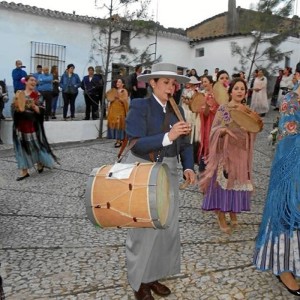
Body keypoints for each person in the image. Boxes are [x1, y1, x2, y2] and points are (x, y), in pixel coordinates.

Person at [125, 62, 196, 300]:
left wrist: (188, 167)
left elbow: (185, 144)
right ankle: (139, 282)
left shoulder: (178, 110)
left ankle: (153, 275)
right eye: (165, 82)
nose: (171, 87)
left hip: (170, 170)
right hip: (145, 169)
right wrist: (168, 136)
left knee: (165, 227)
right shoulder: (139, 106)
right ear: (152, 83)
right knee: (144, 229)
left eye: (173, 83)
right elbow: (136, 144)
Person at [253, 62, 300, 296]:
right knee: (286, 214)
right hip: (291, 169)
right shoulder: (291, 100)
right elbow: (290, 138)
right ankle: (283, 268)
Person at [200, 78, 258, 234]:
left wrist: (251, 130)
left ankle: (232, 210)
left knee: (237, 182)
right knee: (223, 184)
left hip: (241, 153)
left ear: (246, 93)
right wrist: (223, 132)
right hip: (225, 153)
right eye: (236, 88)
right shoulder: (224, 109)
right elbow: (213, 130)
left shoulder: (247, 111)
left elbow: (253, 130)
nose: (239, 91)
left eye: (242, 89)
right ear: (230, 91)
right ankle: (220, 215)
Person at [11, 75, 58, 181]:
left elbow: (42, 110)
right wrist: (16, 106)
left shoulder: (37, 95)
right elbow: (14, 109)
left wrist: (33, 106)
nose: (34, 82)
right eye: (31, 80)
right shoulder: (19, 94)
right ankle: (24, 171)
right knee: (22, 148)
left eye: (35, 81)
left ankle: (40, 162)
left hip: (32, 126)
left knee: (35, 146)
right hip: (20, 126)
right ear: (26, 82)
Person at [197, 75, 219, 171]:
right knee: (205, 142)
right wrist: (205, 106)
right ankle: (204, 165)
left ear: (211, 83)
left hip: (216, 123)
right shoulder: (202, 95)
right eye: (202, 82)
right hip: (206, 124)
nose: (203, 84)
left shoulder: (217, 95)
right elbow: (203, 112)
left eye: (205, 81)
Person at [106, 78, 129, 147]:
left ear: (123, 84)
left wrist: (118, 97)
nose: (117, 83)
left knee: (119, 125)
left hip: (120, 111)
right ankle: (117, 140)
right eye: (117, 82)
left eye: (119, 82)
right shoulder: (114, 91)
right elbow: (108, 98)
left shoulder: (124, 91)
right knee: (115, 125)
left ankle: (119, 141)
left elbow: (125, 100)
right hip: (113, 111)